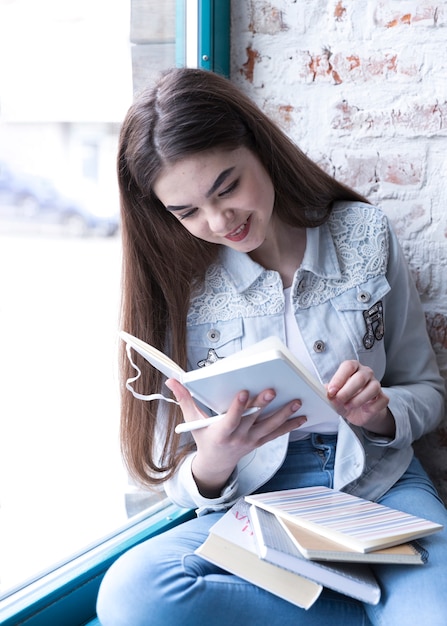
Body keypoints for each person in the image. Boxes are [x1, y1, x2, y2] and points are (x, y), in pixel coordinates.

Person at [96, 67, 447, 625]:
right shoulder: (178, 285)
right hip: (262, 498)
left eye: (227, 187)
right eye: (186, 212)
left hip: (382, 483)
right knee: (132, 595)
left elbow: (427, 389)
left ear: (260, 147)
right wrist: (214, 461)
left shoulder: (363, 233)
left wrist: (382, 414)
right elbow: (178, 475)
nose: (217, 221)